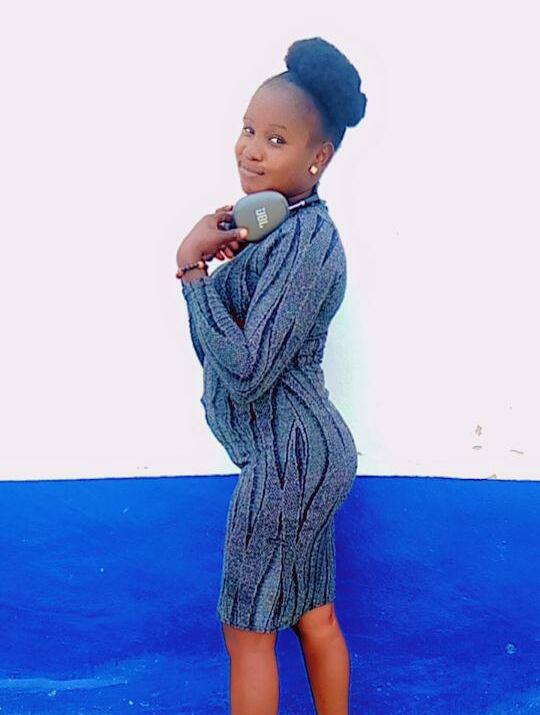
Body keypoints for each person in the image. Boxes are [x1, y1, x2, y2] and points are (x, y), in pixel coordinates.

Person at [176, 36, 367, 715]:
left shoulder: (308, 241)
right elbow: (227, 353)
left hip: (288, 460)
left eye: (277, 139)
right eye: (249, 129)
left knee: (247, 629)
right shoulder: (283, 233)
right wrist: (225, 265)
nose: (251, 150)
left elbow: (249, 369)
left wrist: (192, 273)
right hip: (299, 455)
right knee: (313, 612)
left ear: (320, 158)